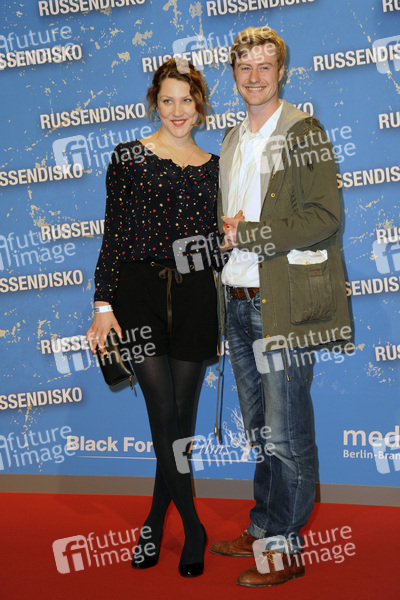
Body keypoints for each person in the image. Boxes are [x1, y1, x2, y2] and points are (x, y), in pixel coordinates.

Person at [210, 27, 351, 587]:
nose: (254, 76)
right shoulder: (230, 139)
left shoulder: (303, 132)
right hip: (237, 300)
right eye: (244, 66)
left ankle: (284, 548)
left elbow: (324, 217)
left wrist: (250, 233)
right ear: (234, 73)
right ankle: (264, 524)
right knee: (261, 430)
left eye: (264, 66)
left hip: (282, 307)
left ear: (282, 72)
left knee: (286, 431)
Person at [86, 58, 219, 578]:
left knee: (180, 418)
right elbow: (114, 233)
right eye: (168, 100)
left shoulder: (216, 166)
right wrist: (102, 305)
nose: (177, 110)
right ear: (154, 103)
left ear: (200, 106)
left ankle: (152, 521)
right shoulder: (128, 157)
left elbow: (214, 247)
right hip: (137, 295)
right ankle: (193, 526)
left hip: (195, 297)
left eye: (187, 100)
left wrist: (229, 240)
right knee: (163, 414)